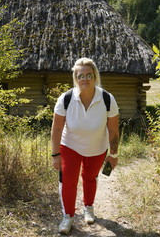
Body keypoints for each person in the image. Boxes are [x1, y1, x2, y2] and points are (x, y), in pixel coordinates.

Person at [51, 57, 119, 234]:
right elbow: (57, 128)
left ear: (95, 76)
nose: (85, 79)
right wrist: (55, 154)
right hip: (70, 146)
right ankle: (68, 216)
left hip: (97, 148)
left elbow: (113, 130)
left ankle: (88, 207)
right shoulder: (65, 99)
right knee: (68, 181)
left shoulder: (107, 99)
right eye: (80, 75)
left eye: (89, 75)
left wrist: (113, 154)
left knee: (90, 177)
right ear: (75, 77)